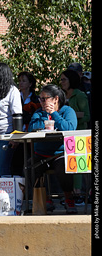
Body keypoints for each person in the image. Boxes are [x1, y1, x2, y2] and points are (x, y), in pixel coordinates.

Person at [28, 84, 78, 214]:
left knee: (64, 165)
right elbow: (32, 128)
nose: (42, 102)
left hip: (60, 153)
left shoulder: (67, 111)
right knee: (31, 166)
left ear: (55, 99)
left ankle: (69, 198)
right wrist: (45, 116)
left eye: (45, 99)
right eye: (40, 99)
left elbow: (69, 129)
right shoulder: (39, 112)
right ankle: (44, 198)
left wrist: (54, 114)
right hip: (41, 153)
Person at [60, 69, 90, 205]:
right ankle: (69, 195)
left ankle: (78, 195)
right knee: (66, 166)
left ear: (71, 80)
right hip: (64, 135)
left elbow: (88, 116)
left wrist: (74, 116)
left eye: (64, 79)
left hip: (79, 135)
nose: (61, 82)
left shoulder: (80, 95)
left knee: (78, 166)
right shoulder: (61, 96)